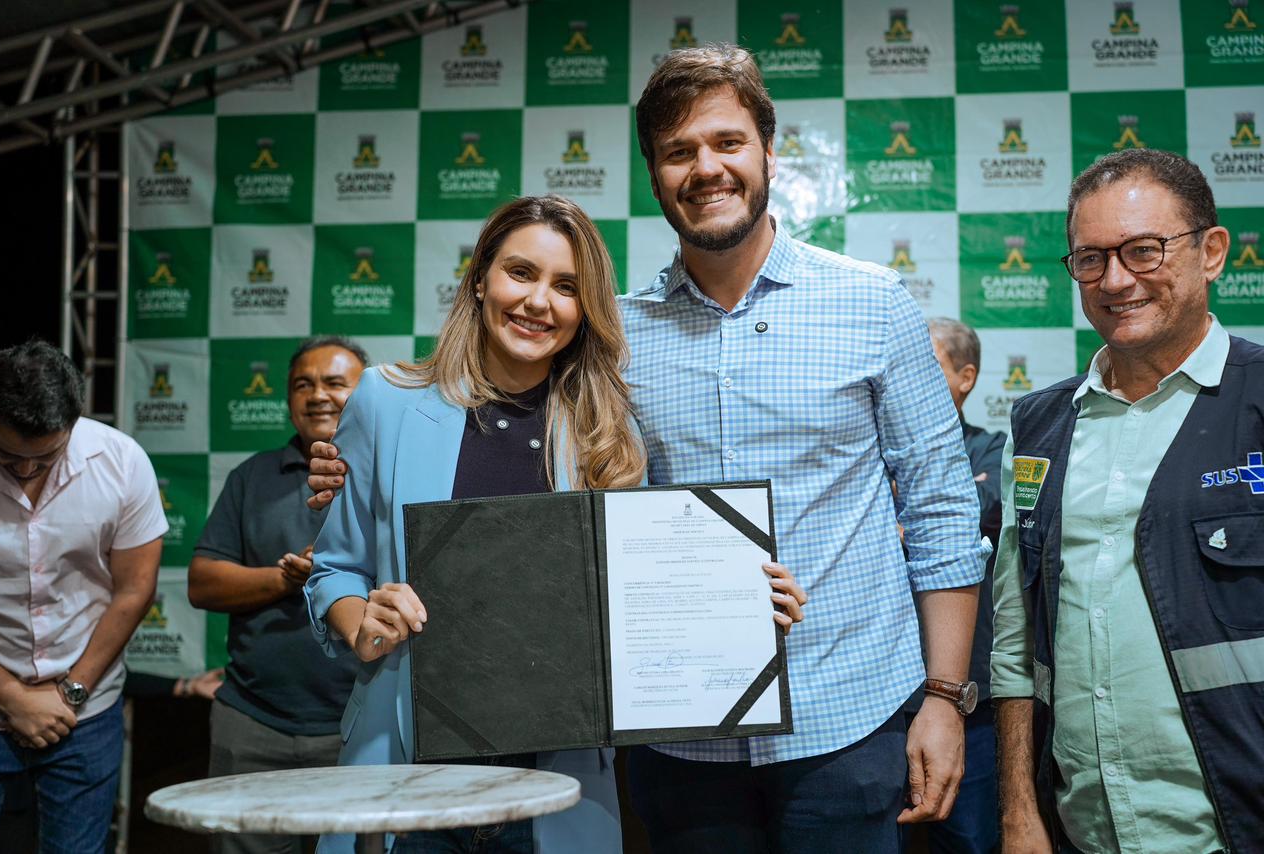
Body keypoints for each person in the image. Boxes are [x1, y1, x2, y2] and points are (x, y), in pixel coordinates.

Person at [309, 46, 981, 851]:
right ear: (656, 177)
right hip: (675, 743)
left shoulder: (874, 304)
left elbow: (944, 510)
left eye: (728, 142)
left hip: (845, 720)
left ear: (769, 152)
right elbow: (562, 513)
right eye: (678, 151)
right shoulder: (615, 348)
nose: (707, 168)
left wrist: (945, 696)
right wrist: (350, 481)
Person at [302, 194, 809, 854]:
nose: (539, 302)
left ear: (585, 309)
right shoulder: (386, 400)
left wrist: (738, 609)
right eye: (521, 273)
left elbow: (642, 599)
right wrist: (362, 624)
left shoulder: (609, 432)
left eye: (566, 287)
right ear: (479, 279)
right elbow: (334, 568)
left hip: (557, 785)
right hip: (406, 774)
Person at [992, 148, 1264, 853]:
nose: (1115, 280)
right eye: (1091, 259)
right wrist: (1019, 807)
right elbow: (1016, 640)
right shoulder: (1037, 428)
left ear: (1212, 251)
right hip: (1083, 830)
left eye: (1144, 250)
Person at [0, 339, 166, 852]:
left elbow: (135, 589)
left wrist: (71, 692)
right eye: (7, 456)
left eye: (44, 458)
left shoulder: (122, 462)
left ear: (74, 421)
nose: (25, 471)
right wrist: (13, 698)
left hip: (85, 709)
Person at [188, 335, 367, 853]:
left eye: (335, 383)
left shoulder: (389, 476)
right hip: (252, 725)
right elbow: (202, 582)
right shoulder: (252, 477)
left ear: (365, 395)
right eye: (302, 385)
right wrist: (284, 579)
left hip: (359, 727)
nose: (318, 395)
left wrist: (335, 578)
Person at [901, 319, 1004, 854]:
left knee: (969, 841)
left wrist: (909, 518)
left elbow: (976, 510)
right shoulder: (874, 455)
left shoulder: (994, 448)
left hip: (968, 698)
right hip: (884, 701)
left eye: (928, 365)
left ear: (966, 377)